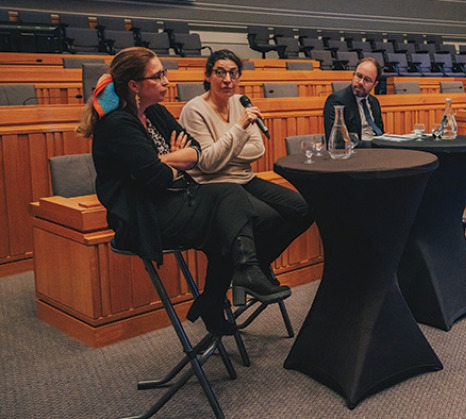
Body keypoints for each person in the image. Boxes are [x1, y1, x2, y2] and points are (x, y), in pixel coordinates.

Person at [77, 47, 289, 337]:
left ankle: (215, 298)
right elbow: (155, 177)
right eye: (157, 76)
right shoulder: (118, 124)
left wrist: (165, 161)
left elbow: (196, 151)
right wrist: (172, 161)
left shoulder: (155, 113)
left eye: (164, 73)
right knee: (228, 196)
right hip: (144, 214)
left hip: (173, 198)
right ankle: (242, 276)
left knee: (248, 219)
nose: (166, 81)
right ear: (134, 85)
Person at [179, 49, 313, 284]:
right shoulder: (194, 110)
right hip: (214, 186)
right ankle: (244, 274)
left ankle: (256, 265)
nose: (227, 79)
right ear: (208, 76)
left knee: (303, 209)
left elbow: (257, 149)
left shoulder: (240, 103)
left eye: (233, 73)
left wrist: (222, 150)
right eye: (220, 72)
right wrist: (238, 129)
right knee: (268, 218)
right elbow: (208, 164)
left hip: (244, 178)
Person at [323, 57, 384, 147]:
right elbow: (337, 142)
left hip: (378, 151)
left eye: (367, 80)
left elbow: (380, 132)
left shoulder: (374, 102)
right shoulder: (336, 101)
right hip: (356, 154)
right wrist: (373, 145)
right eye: (359, 76)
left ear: (375, 84)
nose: (360, 82)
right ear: (353, 74)